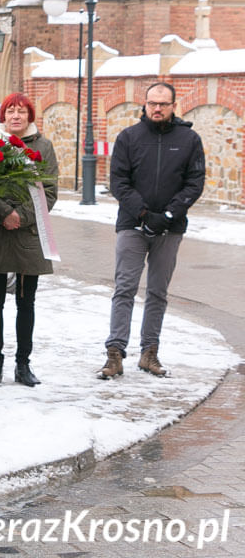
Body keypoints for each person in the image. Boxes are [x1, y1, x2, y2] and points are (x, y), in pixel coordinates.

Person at [99, 82, 205, 380]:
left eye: (163, 104)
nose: (157, 108)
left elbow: (194, 183)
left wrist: (169, 214)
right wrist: (144, 213)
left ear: (173, 106)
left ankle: (149, 353)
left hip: (170, 229)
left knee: (157, 292)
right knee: (125, 289)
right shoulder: (129, 137)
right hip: (132, 225)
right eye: (152, 103)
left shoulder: (189, 139)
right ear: (144, 104)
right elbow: (119, 181)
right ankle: (115, 354)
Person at [0, 92, 58, 388]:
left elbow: (48, 192)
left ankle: (23, 364)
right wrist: (3, 214)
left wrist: (20, 216)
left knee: (26, 302)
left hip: (27, 234)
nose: (16, 116)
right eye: (11, 111)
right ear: (3, 115)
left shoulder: (43, 147)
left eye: (22, 111)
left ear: (30, 116)